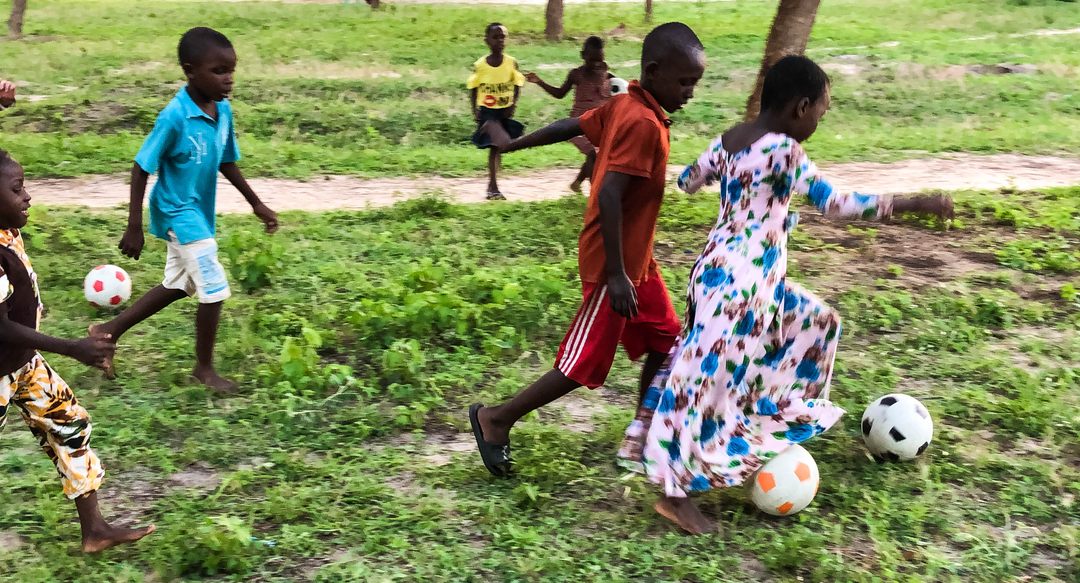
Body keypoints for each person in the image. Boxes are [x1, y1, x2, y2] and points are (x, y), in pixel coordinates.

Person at [622, 55, 955, 534]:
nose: (820, 119)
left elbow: (688, 180)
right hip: (739, 286)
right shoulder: (784, 151)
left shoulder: (732, 139)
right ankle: (675, 493)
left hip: (726, 274)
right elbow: (836, 204)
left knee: (817, 323)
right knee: (700, 383)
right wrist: (914, 202)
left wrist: (732, 181)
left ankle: (760, 419)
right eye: (822, 110)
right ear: (800, 107)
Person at [469, 22, 706, 477]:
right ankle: (495, 419)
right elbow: (611, 194)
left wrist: (514, 144)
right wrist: (616, 274)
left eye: (694, 83)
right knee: (583, 362)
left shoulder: (628, 104)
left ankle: (642, 433)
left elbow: (570, 125)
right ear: (653, 71)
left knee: (665, 339)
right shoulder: (641, 122)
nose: (690, 93)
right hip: (613, 262)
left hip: (637, 261)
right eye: (684, 82)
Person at [90, 27, 279, 393]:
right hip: (177, 212)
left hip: (198, 212)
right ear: (190, 71)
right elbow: (141, 167)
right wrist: (134, 225)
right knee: (214, 287)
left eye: (231, 70)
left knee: (182, 284)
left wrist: (256, 203)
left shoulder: (223, 111)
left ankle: (107, 331)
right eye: (219, 71)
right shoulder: (174, 116)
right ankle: (203, 369)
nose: (228, 79)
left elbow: (226, 161)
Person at [0, 149, 156, 553]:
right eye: (17, 189)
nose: (27, 196)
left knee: (69, 424)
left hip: (23, 365)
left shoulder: (6, 230)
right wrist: (72, 348)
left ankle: (95, 531)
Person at [525, 36, 614, 194]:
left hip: (598, 125)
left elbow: (620, 95)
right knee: (594, 153)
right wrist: (539, 81)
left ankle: (577, 183)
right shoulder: (576, 74)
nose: (596, 64)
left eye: (599, 60)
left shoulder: (608, 76)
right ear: (583, 56)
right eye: (592, 60)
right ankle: (596, 193)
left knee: (598, 154)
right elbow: (560, 94)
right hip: (578, 125)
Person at [467, 23, 526, 200]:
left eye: (503, 37)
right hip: (488, 111)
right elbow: (473, 87)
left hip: (504, 111)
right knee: (497, 145)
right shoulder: (480, 65)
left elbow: (517, 84)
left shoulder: (511, 62)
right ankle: (493, 187)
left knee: (499, 148)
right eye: (495, 37)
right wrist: (474, 110)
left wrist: (513, 105)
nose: (500, 40)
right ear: (487, 40)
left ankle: (493, 185)